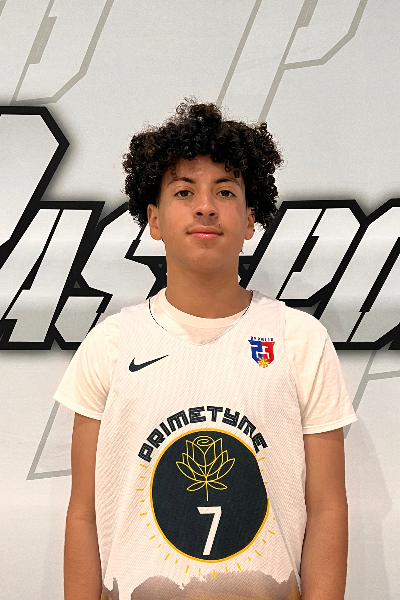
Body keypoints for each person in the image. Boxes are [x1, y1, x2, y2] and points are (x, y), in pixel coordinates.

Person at [55, 98, 357, 600]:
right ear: (153, 220)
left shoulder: (300, 340)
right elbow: (83, 514)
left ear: (250, 219)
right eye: (184, 191)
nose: (205, 206)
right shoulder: (110, 345)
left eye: (225, 190)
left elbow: (327, 508)